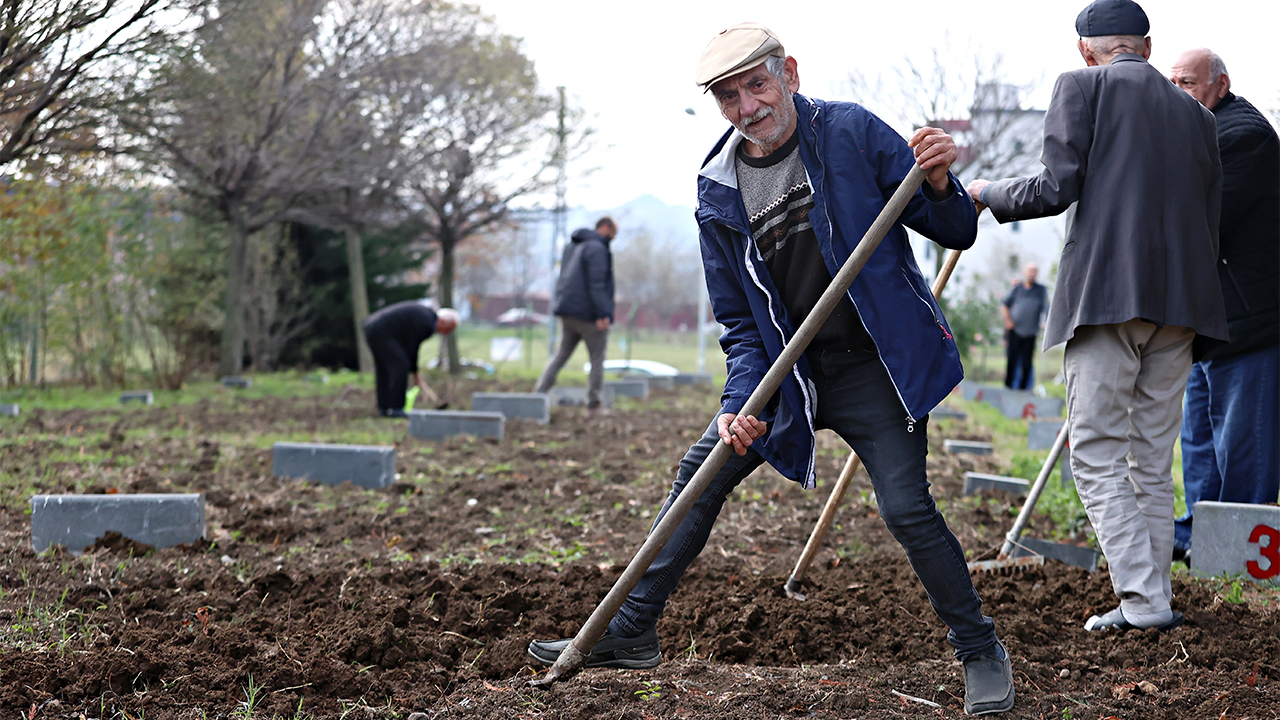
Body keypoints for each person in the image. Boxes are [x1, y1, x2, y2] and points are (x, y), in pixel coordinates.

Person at [529, 23, 1015, 716]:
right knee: (700, 477)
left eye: (756, 84)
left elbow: (957, 229)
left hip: (877, 368)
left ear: (789, 71)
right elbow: (737, 321)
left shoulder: (849, 133)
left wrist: (939, 180)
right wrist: (739, 402)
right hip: (788, 375)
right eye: (728, 96)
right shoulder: (718, 189)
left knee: (907, 508)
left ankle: (978, 649)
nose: (748, 106)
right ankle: (632, 629)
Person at [966, 0, 1226, 633]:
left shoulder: (1080, 85)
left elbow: (1056, 187)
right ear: (1146, 46)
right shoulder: (1195, 114)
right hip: (1183, 308)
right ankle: (1154, 595)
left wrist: (983, 193)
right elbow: (1210, 213)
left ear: (1086, 49)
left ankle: (1142, 602)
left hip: (1109, 300)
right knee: (1150, 460)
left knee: (1097, 454)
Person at [1168, 48, 1280, 562]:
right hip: (1208, 320)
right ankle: (1197, 535)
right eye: (1172, 83)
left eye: (1188, 82)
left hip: (1248, 321)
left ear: (1220, 84)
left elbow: (1201, 222)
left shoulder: (1244, 137)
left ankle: (1238, 547)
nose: (1178, 92)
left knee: (1243, 442)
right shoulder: (1197, 134)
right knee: (1199, 441)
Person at [534, 217, 617, 409]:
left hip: (568, 311)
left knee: (560, 355)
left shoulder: (572, 246)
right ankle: (594, 402)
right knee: (597, 358)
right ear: (605, 228)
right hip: (588, 314)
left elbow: (564, 277)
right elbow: (597, 284)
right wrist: (603, 314)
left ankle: (538, 394)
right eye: (614, 232)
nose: (614, 237)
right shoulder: (597, 249)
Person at [361, 302, 459, 418]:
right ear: (443, 321)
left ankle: (384, 408)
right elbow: (412, 347)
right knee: (401, 366)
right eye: (448, 329)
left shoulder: (426, 316)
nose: (445, 333)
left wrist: (414, 371)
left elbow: (408, 342)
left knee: (384, 368)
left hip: (372, 327)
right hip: (380, 331)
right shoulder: (427, 324)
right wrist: (414, 371)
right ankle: (396, 408)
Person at [1001, 263, 1048, 390]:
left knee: (1027, 363)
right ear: (1025, 272)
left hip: (1031, 332)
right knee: (1012, 360)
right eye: (1029, 271)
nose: (1031, 273)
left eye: (1034, 271)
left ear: (1036, 273)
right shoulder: (1017, 289)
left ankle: (1023, 390)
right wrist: (1008, 321)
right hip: (1015, 330)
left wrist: (1045, 321)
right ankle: (1008, 386)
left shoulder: (1041, 290)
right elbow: (1004, 305)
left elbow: (1046, 307)